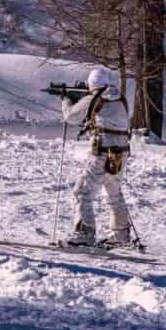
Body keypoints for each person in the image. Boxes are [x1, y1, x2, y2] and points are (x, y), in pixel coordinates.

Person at [60, 67, 132, 247]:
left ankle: (85, 232)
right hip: (120, 153)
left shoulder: (94, 98)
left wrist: (66, 101)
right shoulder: (121, 99)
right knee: (114, 192)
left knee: (82, 191)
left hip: (101, 152)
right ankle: (121, 234)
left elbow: (70, 116)